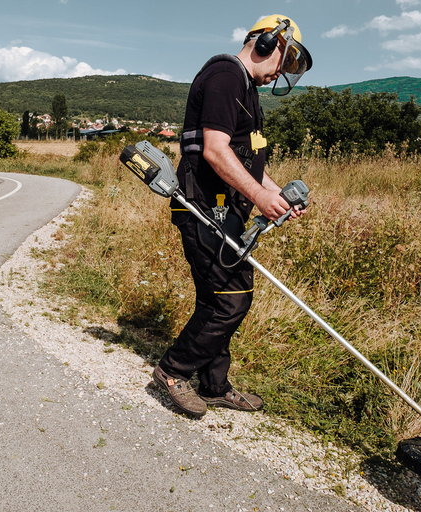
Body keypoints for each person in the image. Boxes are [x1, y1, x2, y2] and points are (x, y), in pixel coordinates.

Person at [153, 15, 313, 418]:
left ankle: (213, 385)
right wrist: (258, 196)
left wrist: (275, 194)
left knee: (216, 298)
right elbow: (215, 150)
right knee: (231, 298)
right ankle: (173, 371)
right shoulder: (225, 76)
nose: (282, 72)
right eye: (286, 60)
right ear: (268, 43)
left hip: (225, 208)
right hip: (205, 207)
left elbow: (247, 162)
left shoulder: (248, 92)